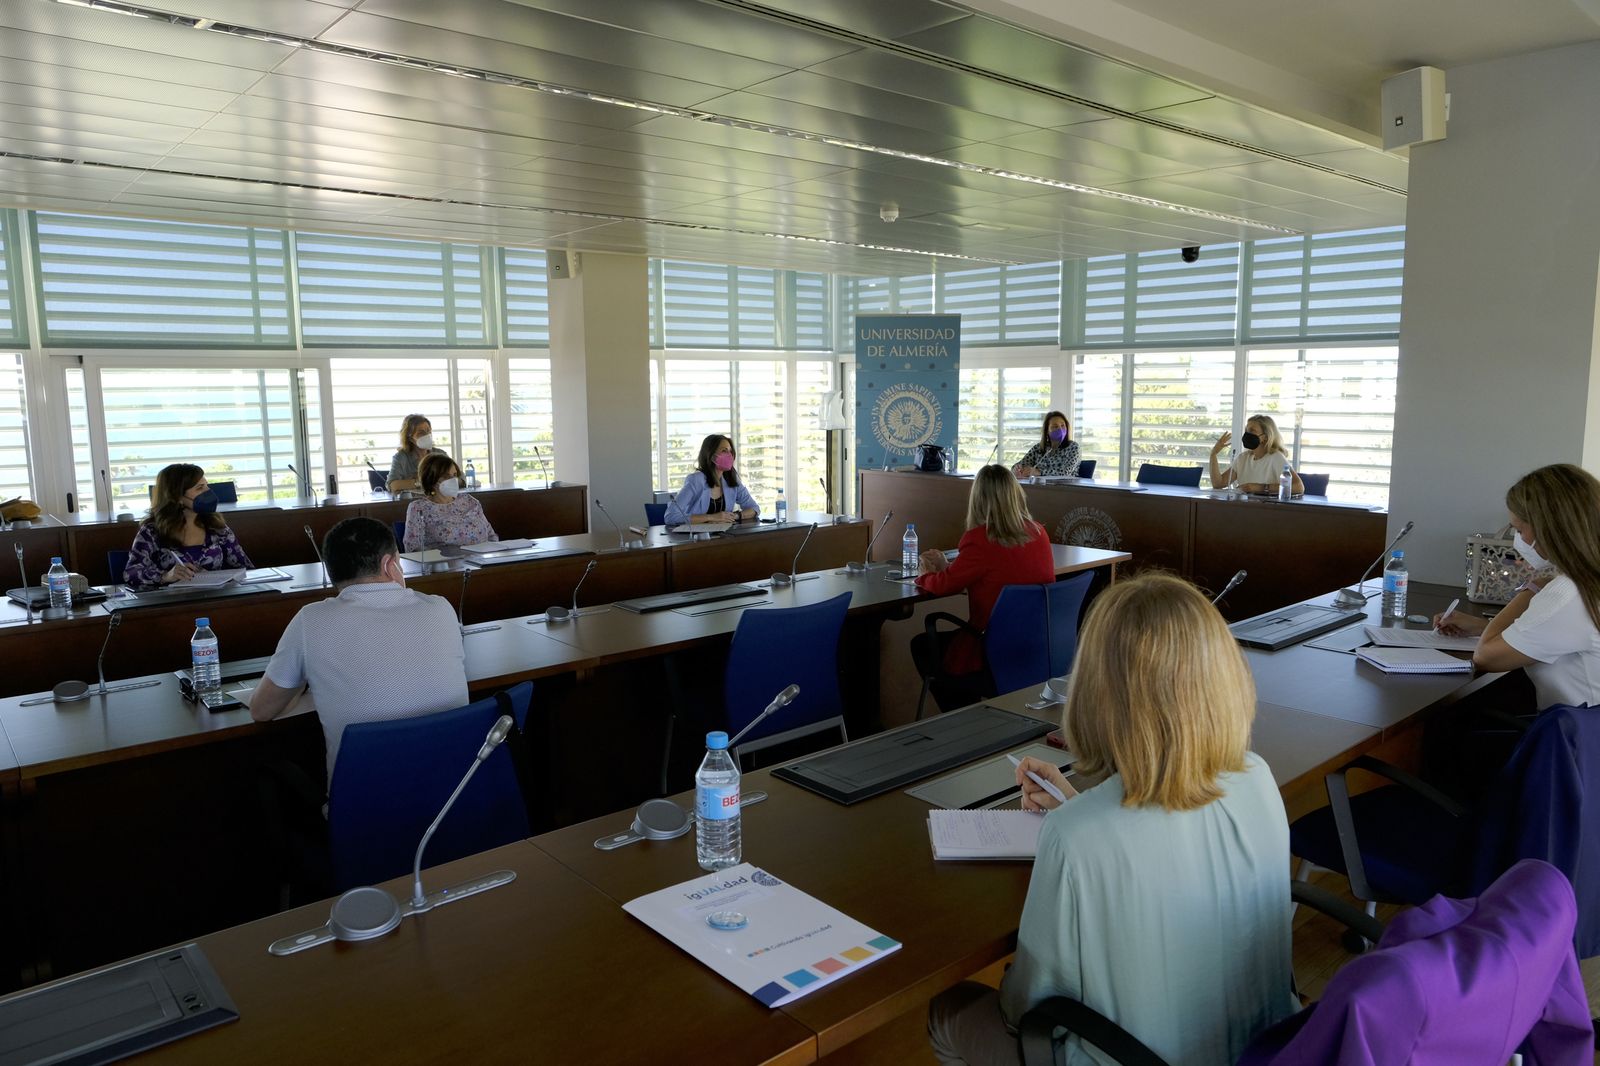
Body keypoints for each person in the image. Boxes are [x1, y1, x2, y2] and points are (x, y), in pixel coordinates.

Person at [927, 572, 1296, 1066]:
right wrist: (1079, 805)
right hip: (1265, 1049)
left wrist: (1080, 820)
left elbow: (1026, 1007)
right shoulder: (1257, 775)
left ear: (1097, 692)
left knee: (950, 1010)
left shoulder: (1077, 837)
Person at [250, 517, 468, 782]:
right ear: (390, 564)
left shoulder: (311, 619)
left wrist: (305, 685)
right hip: (458, 798)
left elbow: (261, 710)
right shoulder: (441, 608)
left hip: (364, 813)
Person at [1434, 463, 1600, 710]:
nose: (1519, 540)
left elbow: (1485, 657)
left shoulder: (1568, 593)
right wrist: (1482, 627)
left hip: (1575, 741)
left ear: (1548, 528)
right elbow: (1560, 633)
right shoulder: (1587, 582)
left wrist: (1531, 588)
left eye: (1520, 529)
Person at [911, 465, 1056, 710]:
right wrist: (950, 565)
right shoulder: (1039, 533)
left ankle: (962, 719)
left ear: (978, 500)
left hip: (993, 648)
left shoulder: (980, 539)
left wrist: (924, 575)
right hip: (1038, 644)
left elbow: (944, 586)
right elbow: (998, 572)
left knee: (922, 645)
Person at [122, 463, 254, 590]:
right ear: (178, 496)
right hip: (172, 604)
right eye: (200, 488)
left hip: (215, 601)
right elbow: (131, 573)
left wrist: (213, 576)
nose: (208, 492)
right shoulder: (151, 532)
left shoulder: (217, 527)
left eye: (207, 486)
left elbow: (245, 568)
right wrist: (166, 576)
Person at [403, 453, 497, 552]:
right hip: (446, 564)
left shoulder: (470, 501)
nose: (453, 480)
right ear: (432, 479)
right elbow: (412, 548)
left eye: (455, 475)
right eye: (446, 476)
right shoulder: (418, 508)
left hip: (483, 560)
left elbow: (491, 536)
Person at [663, 433, 760, 526]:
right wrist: (712, 517)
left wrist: (735, 516)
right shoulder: (696, 480)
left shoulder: (731, 479)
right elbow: (671, 516)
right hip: (698, 538)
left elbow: (754, 508)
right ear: (711, 455)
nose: (729, 455)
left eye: (730, 451)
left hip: (724, 535)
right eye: (724, 451)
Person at [1209, 414, 1305, 494]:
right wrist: (1213, 454)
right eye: (1246, 430)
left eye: (1252, 431)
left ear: (1265, 437)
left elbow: (1298, 487)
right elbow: (1218, 484)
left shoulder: (1276, 457)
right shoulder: (1243, 458)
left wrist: (1261, 488)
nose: (1247, 434)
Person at [1012, 410, 1081, 478]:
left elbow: (1065, 472)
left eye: (1063, 425)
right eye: (1055, 426)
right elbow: (1021, 464)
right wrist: (1017, 468)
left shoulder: (1073, 447)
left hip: (1065, 487)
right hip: (1039, 487)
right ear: (1047, 430)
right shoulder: (1038, 448)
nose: (1060, 429)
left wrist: (1038, 472)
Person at [386, 413, 434, 494]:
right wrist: (420, 482)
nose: (427, 435)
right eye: (421, 433)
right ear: (410, 438)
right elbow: (392, 485)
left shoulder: (440, 454)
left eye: (428, 431)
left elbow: (460, 479)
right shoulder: (401, 458)